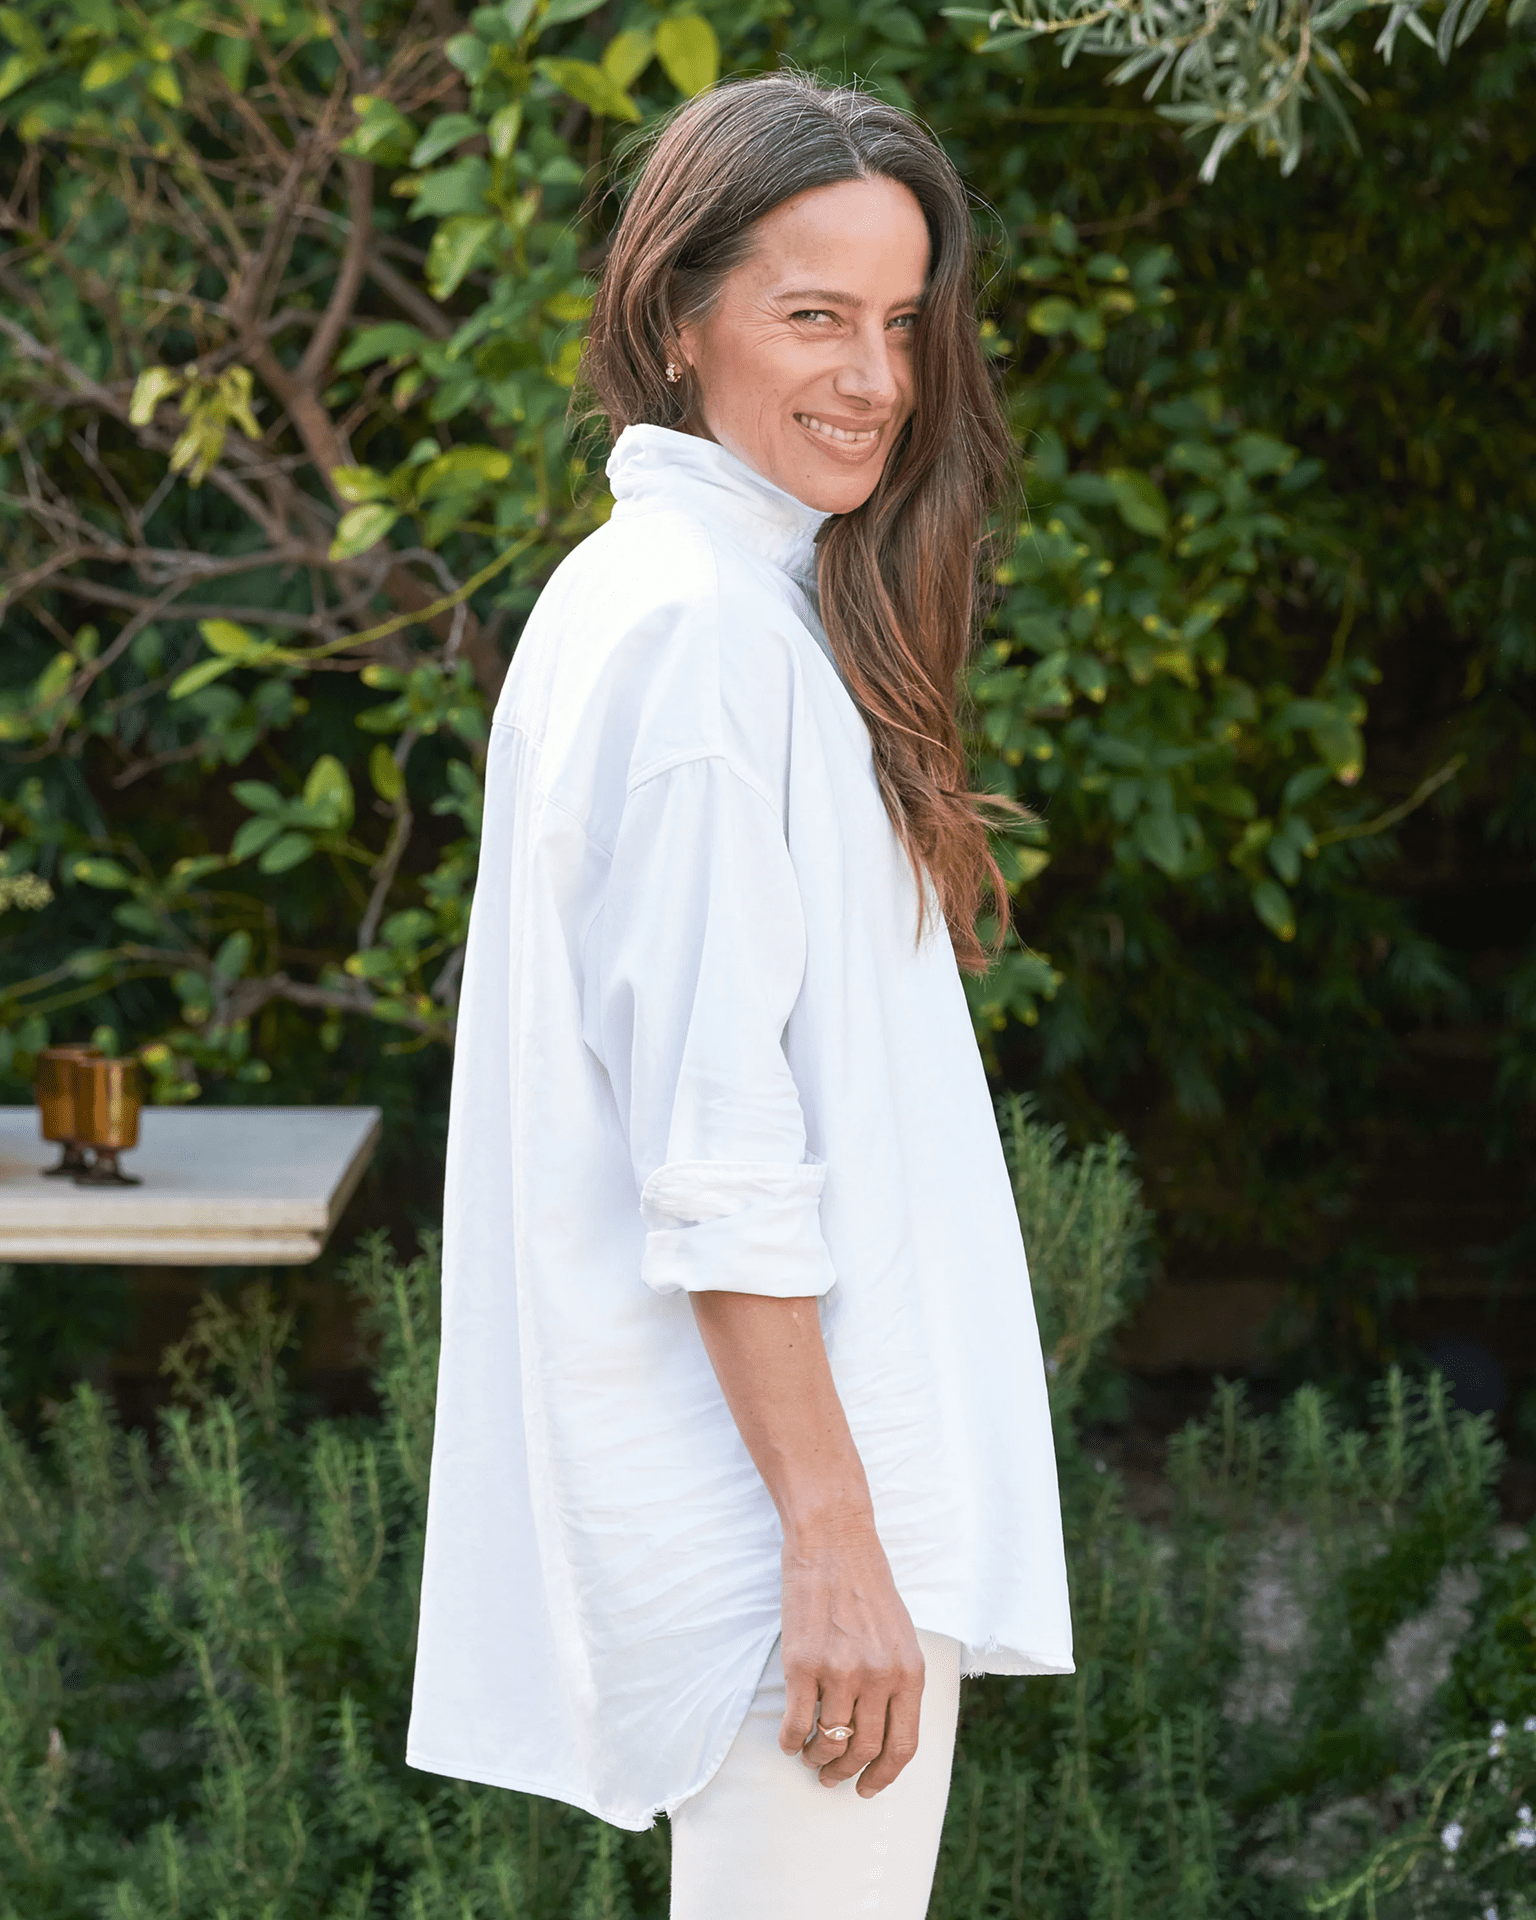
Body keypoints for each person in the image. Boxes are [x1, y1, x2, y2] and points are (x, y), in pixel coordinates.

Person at [407, 69, 1072, 1918]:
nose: (873, 375)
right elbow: (714, 1154)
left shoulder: (706, 601)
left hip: (799, 1524)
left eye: (901, 321)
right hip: (790, 1543)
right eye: (812, 315)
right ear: (675, 320)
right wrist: (836, 1543)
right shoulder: (698, 636)